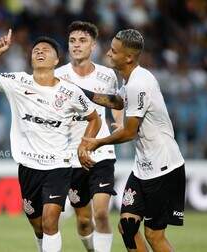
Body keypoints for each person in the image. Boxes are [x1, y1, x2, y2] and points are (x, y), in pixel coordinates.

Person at [0, 29, 102, 252]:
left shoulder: (70, 91)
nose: (40, 52)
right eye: (36, 50)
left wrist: (84, 144)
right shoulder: (18, 81)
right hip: (29, 167)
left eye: (46, 50)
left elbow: (94, 118)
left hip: (59, 166)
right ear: (30, 58)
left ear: (56, 60)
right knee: (38, 226)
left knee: (51, 222)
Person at [82, 29, 186, 252]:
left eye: (114, 51)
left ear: (128, 57)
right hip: (143, 167)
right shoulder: (130, 81)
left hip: (163, 167)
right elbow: (118, 102)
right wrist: (81, 92)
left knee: (154, 235)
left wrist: (97, 142)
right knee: (127, 227)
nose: (108, 53)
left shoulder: (140, 82)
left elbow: (129, 132)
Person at [55, 21, 123, 252]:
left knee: (101, 213)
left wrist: (119, 120)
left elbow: (115, 101)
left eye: (82, 41)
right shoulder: (57, 75)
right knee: (84, 220)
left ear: (93, 45)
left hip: (100, 150)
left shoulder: (107, 75)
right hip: (70, 156)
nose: (76, 45)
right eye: (72, 41)